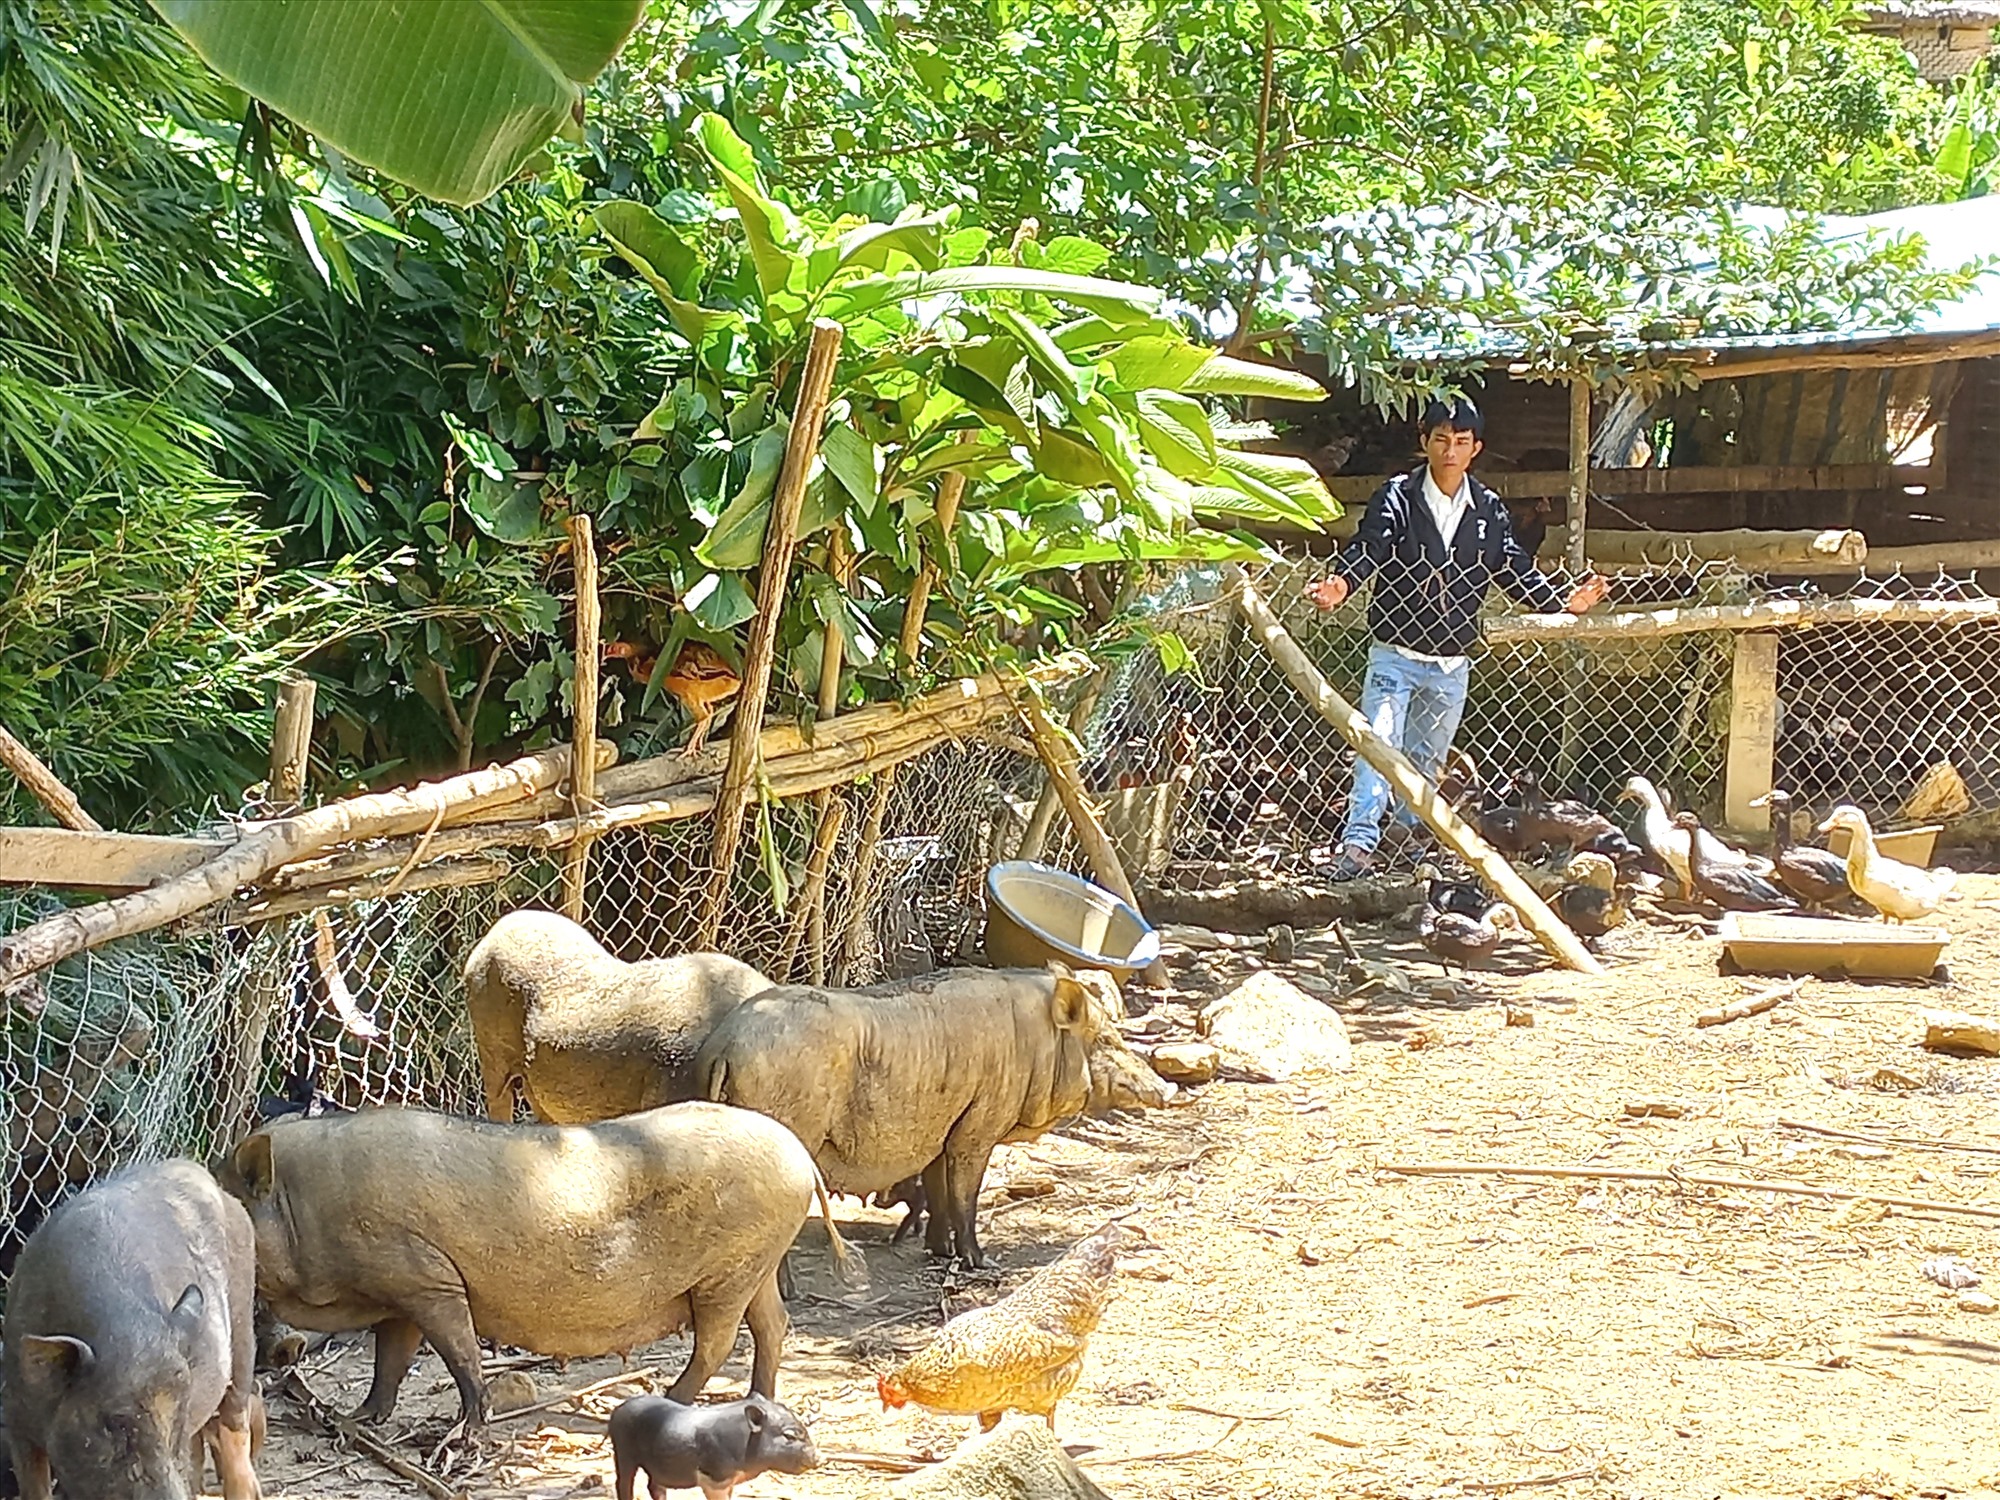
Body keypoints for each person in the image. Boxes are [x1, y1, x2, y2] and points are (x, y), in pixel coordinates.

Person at [1306, 397, 1607, 879]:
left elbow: (1513, 568)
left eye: (1461, 442)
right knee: (1377, 745)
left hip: (1451, 660)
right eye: (1441, 439)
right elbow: (1370, 546)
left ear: (1476, 449)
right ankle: (1358, 844)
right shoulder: (1399, 497)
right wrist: (1341, 584)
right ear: (1425, 443)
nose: (1450, 450)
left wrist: (1562, 603)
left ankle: (1408, 841)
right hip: (1394, 653)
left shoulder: (1486, 509)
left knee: (1426, 761)